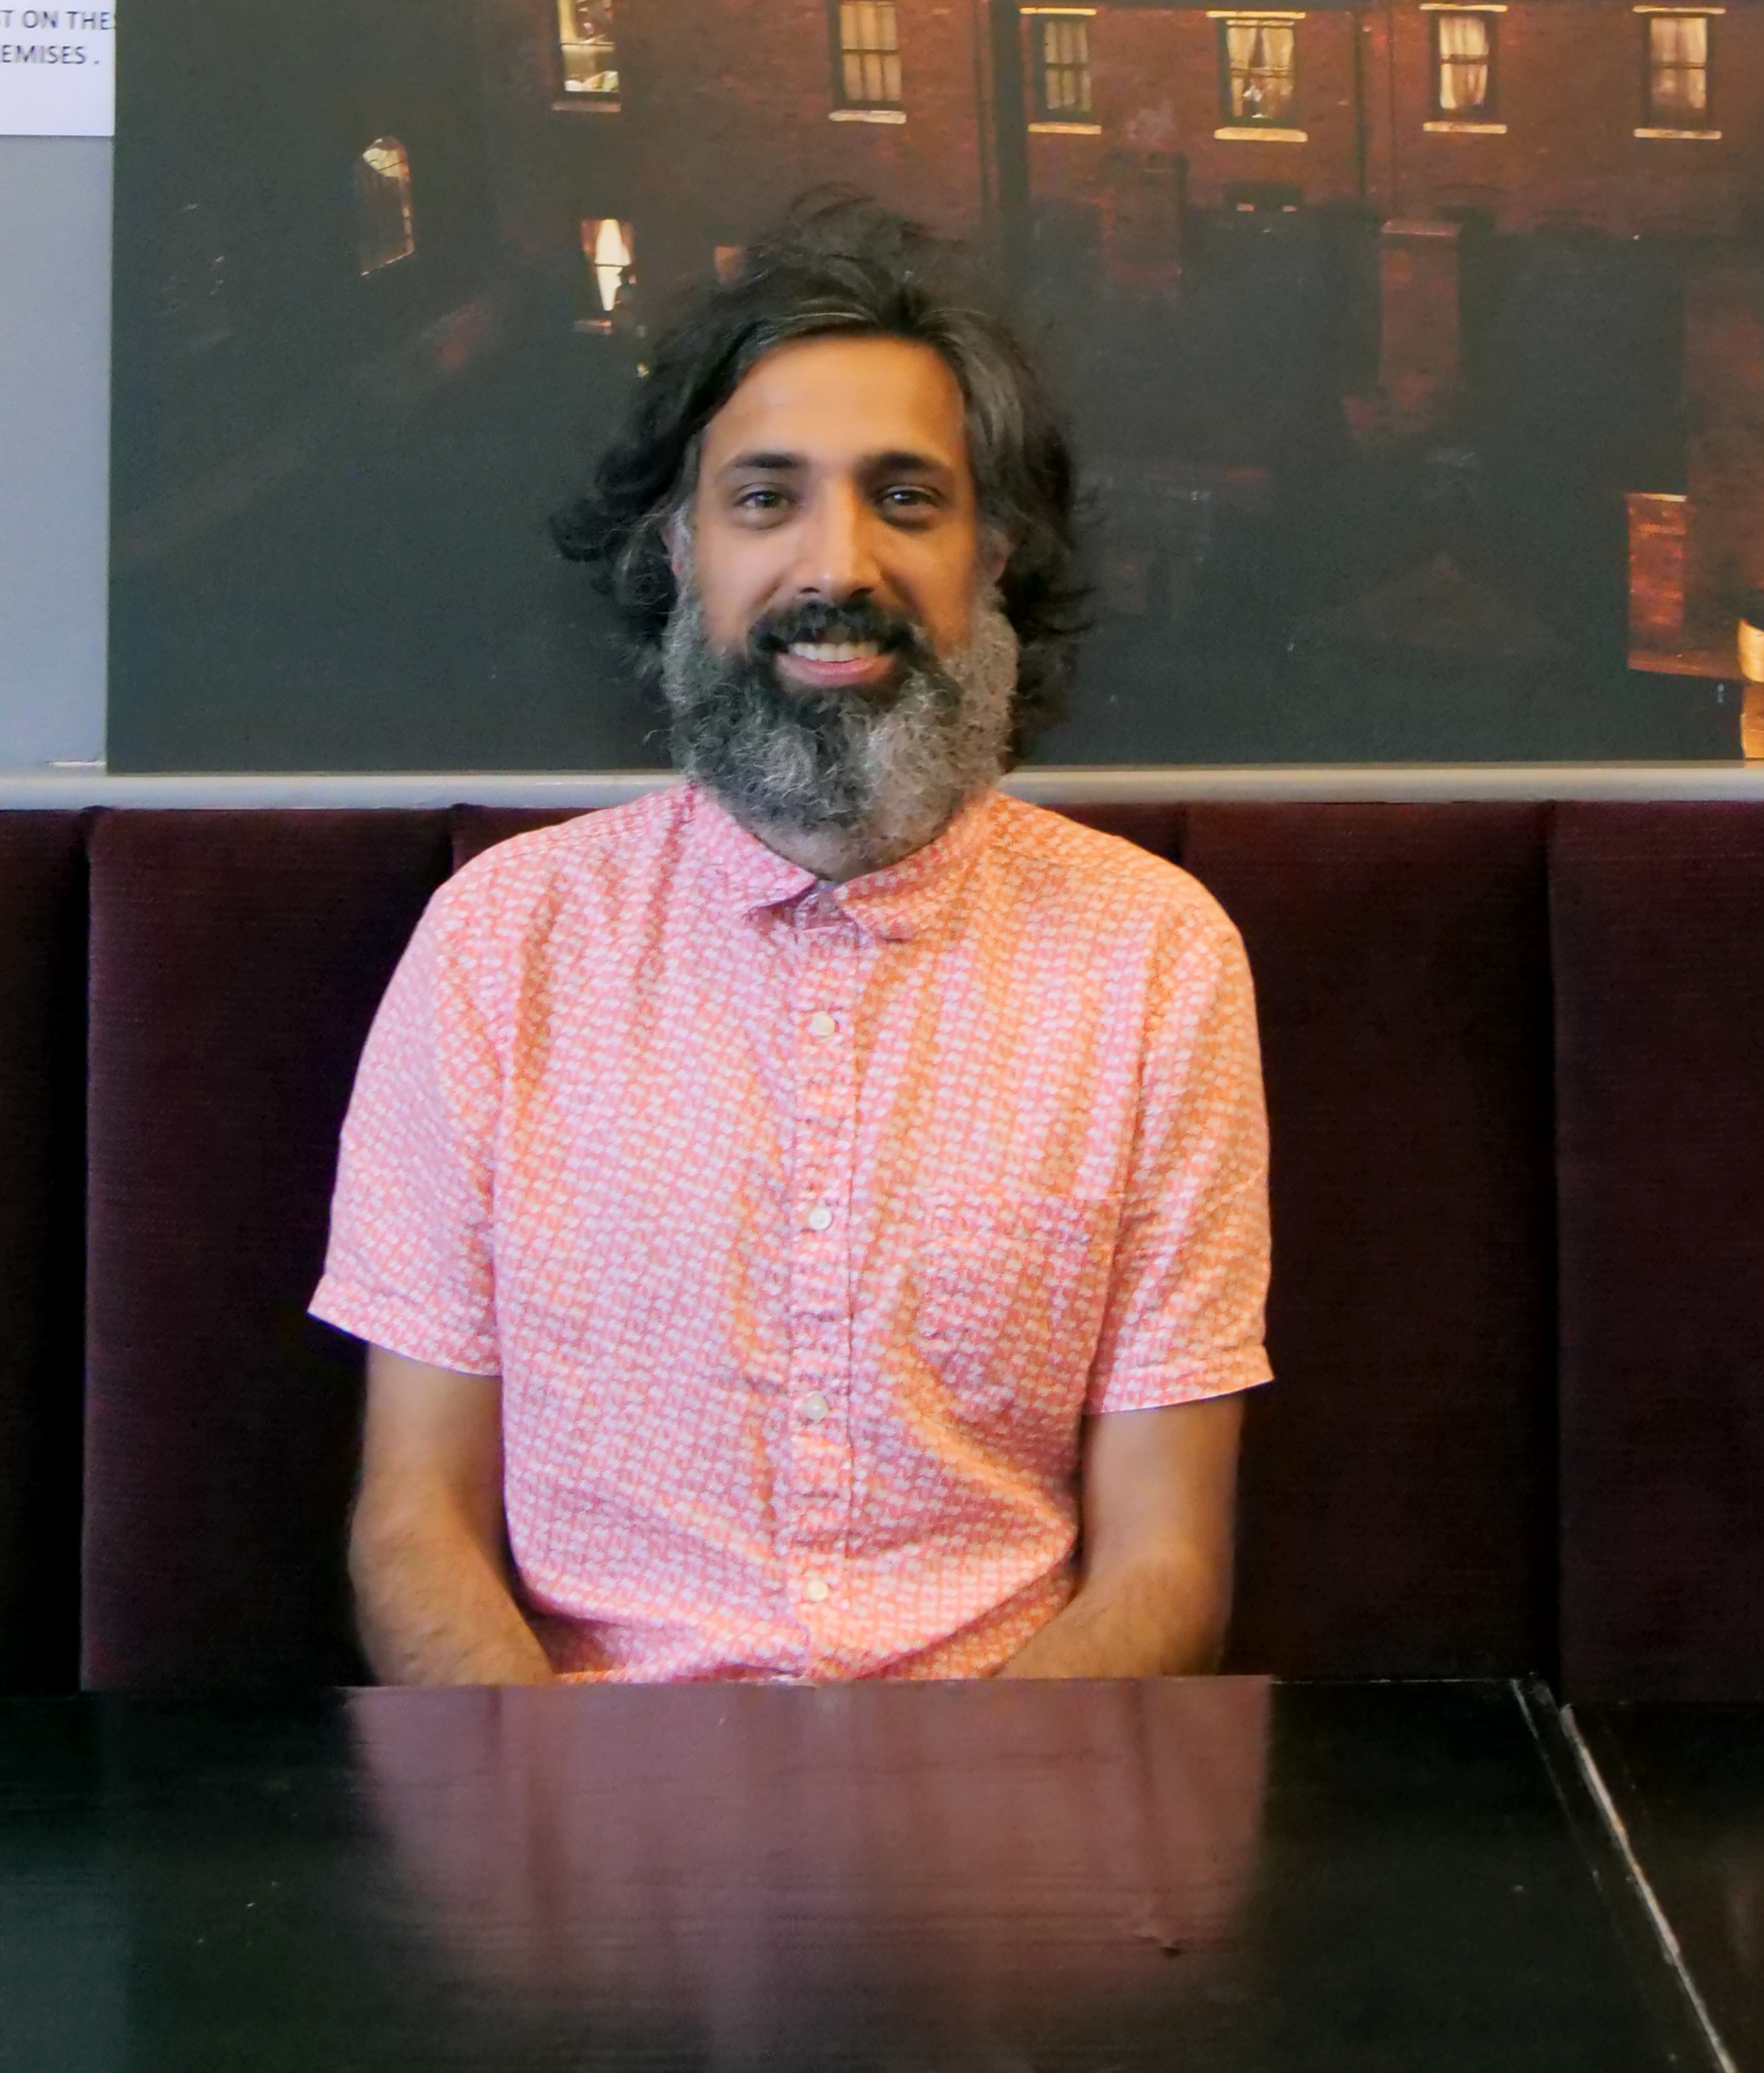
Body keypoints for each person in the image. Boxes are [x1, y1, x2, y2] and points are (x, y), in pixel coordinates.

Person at [312, 193, 1271, 1688]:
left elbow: (1165, 1568)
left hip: (1003, 1824)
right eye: (764, 499)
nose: (838, 569)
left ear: (991, 556)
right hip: (584, 1835)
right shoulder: (497, 948)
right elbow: (412, 1526)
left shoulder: (1155, 962)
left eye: (904, 498)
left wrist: (949, 1863)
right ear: (680, 551)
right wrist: (558, 1857)